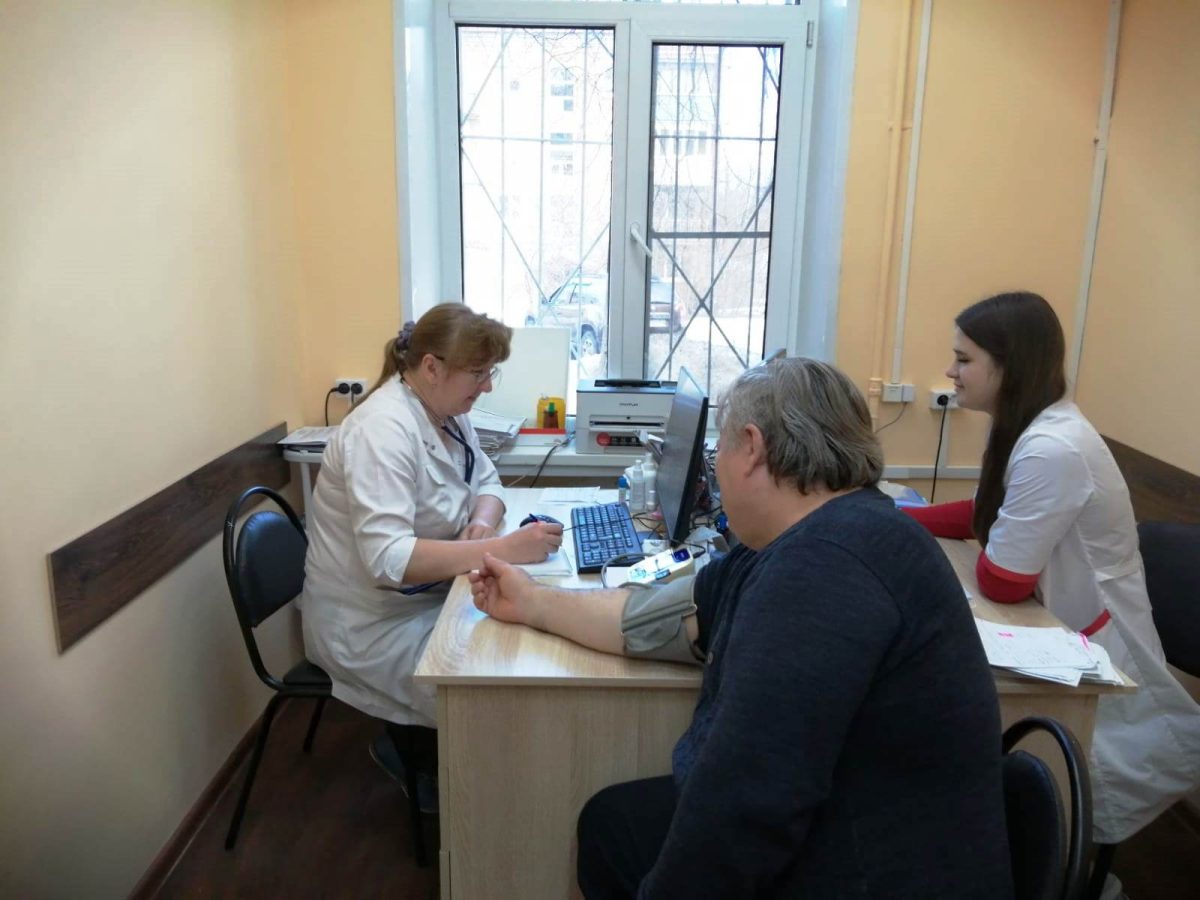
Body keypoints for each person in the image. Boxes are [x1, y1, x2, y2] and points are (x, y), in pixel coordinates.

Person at [469, 358, 1014, 899]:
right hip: (856, 819)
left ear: (751, 447)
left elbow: (745, 804)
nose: (714, 468)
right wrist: (534, 602)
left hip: (875, 869)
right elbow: (660, 618)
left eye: (718, 450)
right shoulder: (814, 537)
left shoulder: (823, 571)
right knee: (612, 823)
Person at [905, 290, 1200, 848]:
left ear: (1010, 365)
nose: (950, 371)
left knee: (1071, 801)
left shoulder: (1052, 447)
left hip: (1087, 644)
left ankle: (1076, 876)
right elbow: (986, 513)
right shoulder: (1028, 426)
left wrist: (953, 538)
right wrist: (900, 518)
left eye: (964, 359)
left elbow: (1003, 581)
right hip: (1062, 625)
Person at [299, 303, 563, 738]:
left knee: (525, 645)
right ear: (431, 367)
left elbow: (488, 481)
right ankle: (432, 760)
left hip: (433, 599)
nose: (486, 387)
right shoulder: (381, 430)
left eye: (490, 373)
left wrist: (482, 522)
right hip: (374, 625)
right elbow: (388, 559)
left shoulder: (447, 413)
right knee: (499, 692)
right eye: (478, 373)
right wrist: (499, 548)